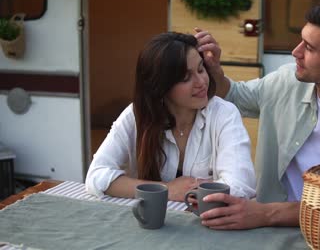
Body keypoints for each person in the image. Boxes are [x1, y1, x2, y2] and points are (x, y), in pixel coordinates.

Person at [194, 2, 320, 229]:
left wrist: (265, 213)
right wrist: (215, 70)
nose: (296, 52)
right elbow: (235, 95)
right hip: (263, 229)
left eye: (310, 48)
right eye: (301, 39)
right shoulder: (287, 80)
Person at [85, 32, 256, 201]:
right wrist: (166, 190)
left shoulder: (224, 113)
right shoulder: (137, 114)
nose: (201, 82)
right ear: (161, 86)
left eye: (201, 69)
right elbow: (96, 176)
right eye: (186, 77)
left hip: (205, 223)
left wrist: (188, 192)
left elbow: (240, 186)